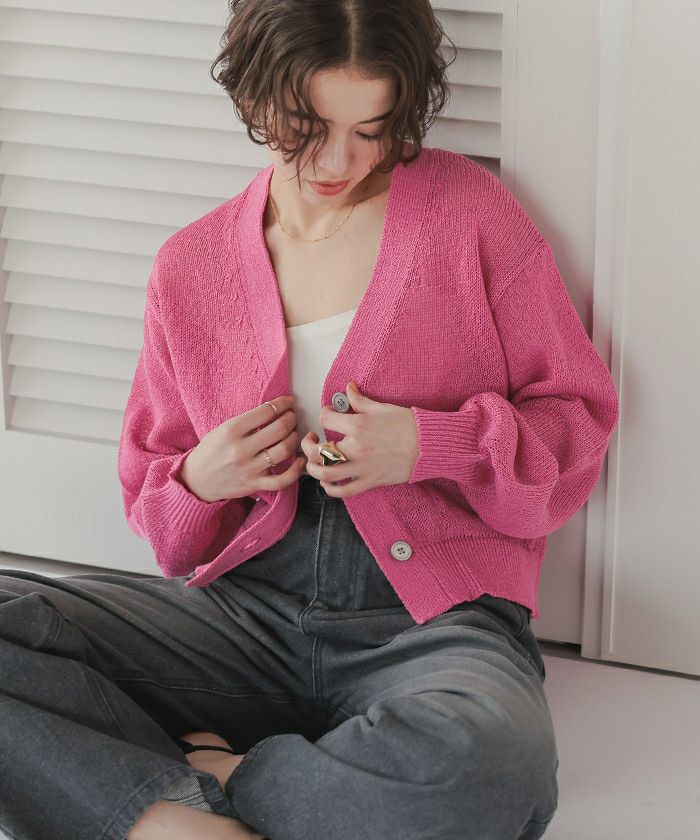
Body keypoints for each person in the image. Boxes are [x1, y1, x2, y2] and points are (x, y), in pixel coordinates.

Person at [0, 1, 620, 839]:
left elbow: (575, 421)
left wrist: (431, 444)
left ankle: (224, 775)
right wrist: (199, 480)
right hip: (244, 616)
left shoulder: (469, 214)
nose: (340, 160)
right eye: (307, 128)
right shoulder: (191, 266)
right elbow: (163, 522)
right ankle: (163, 821)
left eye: (372, 129)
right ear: (255, 96)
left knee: (492, 762)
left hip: (432, 620)